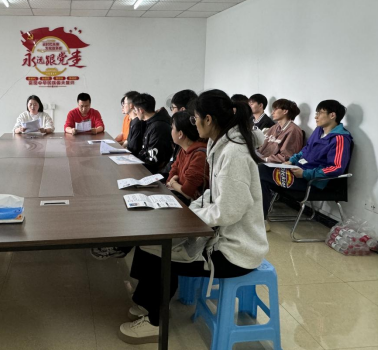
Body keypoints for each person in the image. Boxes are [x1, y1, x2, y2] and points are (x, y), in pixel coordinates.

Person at [118, 90, 269, 345]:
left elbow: (229, 210)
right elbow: (212, 195)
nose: (193, 123)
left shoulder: (234, 153)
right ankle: (146, 304)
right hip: (219, 235)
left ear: (208, 119)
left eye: (195, 118)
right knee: (148, 245)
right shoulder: (220, 145)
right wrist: (189, 213)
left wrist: (189, 220)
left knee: (161, 254)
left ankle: (155, 322)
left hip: (235, 250)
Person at [259, 100, 353, 230]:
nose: (316, 117)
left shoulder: (340, 139)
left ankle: (260, 220)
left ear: (332, 115)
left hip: (312, 182)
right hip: (297, 171)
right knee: (261, 174)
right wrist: (292, 160)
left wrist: (305, 173)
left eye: (319, 113)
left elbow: (336, 167)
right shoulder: (318, 131)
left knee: (260, 171)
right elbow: (306, 150)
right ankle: (260, 219)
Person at [166, 112, 209, 206]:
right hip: (181, 200)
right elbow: (172, 173)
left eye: (172, 128)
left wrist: (173, 183)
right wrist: (173, 183)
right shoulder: (183, 150)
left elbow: (187, 192)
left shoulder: (200, 155)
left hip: (193, 207)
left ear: (180, 134)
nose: (171, 131)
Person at [133, 93, 173, 174]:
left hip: (154, 172)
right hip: (148, 166)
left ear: (141, 110)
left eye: (135, 110)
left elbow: (155, 160)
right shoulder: (151, 123)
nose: (135, 113)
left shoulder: (158, 127)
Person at [163, 90, 199, 180]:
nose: (171, 111)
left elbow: (188, 185)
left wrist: (172, 182)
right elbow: (174, 166)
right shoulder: (182, 146)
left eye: (173, 107)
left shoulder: (195, 148)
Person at [258, 99, 304, 164]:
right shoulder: (274, 127)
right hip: (263, 159)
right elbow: (262, 147)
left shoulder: (294, 130)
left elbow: (287, 156)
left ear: (285, 111)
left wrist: (265, 159)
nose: (272, 113)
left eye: (275, 109)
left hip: (274, 164)